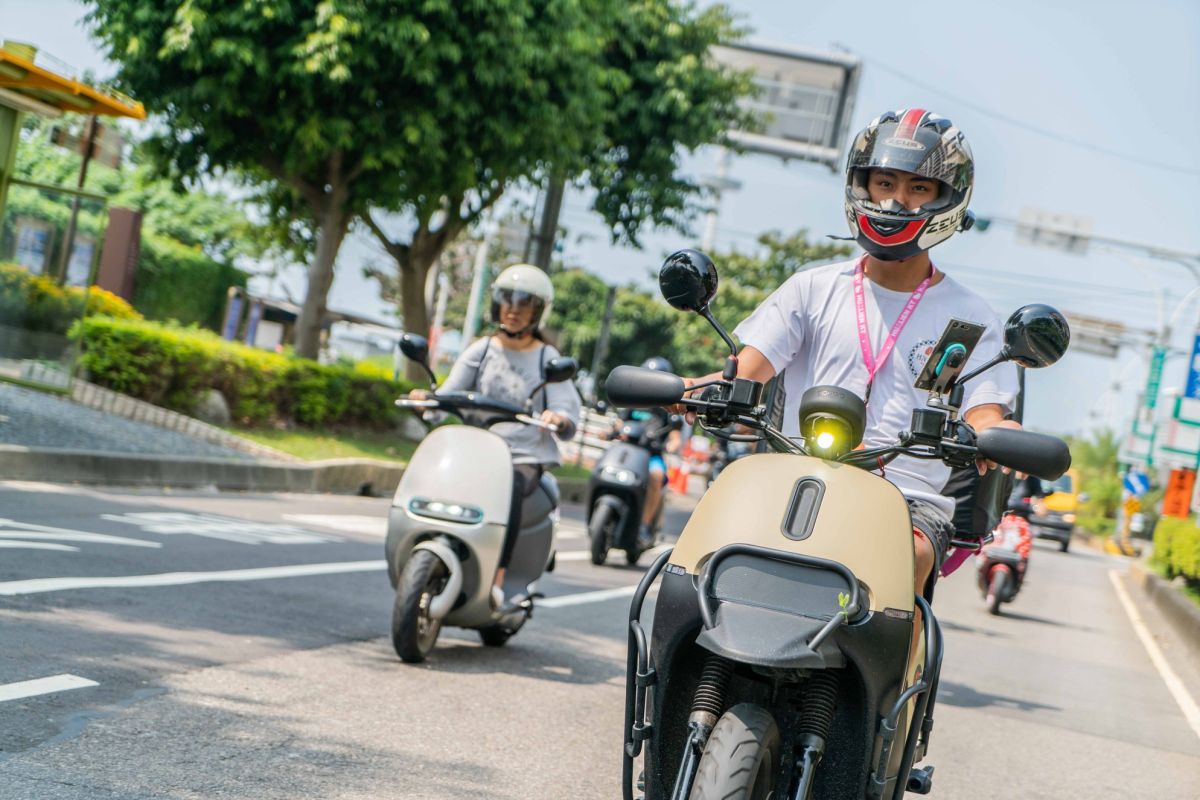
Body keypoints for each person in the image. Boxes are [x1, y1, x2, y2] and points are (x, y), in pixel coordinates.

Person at [676, 108, 1020, 637]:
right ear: (861, 184)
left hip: (905, 500)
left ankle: (888, 706)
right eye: (884, 182)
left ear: (948, 199)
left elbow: (986, 410)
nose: (894, 201)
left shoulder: (970, 318)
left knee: (912, 556)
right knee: (691, 560)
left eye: (918, 187)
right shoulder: (812, 288)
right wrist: (693, 389)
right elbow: (748, 370)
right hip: (791, 476)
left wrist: (1001, 435)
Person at [408, 263, 580, 607]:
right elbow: (448, 395)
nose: (514, 309)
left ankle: (499, 577)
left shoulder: (548, 357)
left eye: (524, 302)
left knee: (510, 488)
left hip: (522, 456)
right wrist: (426, 400)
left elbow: (566, 407)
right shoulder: (482, 349)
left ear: (538, 311)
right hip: (476, 450)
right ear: (497, 304)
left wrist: (558, 416)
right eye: (507, 300)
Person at [606, 357, 677, 545]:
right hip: (627, 450)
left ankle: (645, 525)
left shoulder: (669, 405)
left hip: (651, 454)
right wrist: (613, 430)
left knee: (656, 476)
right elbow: (620, 421)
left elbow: (675, 433)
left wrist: (673, 444)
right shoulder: (632, 400)